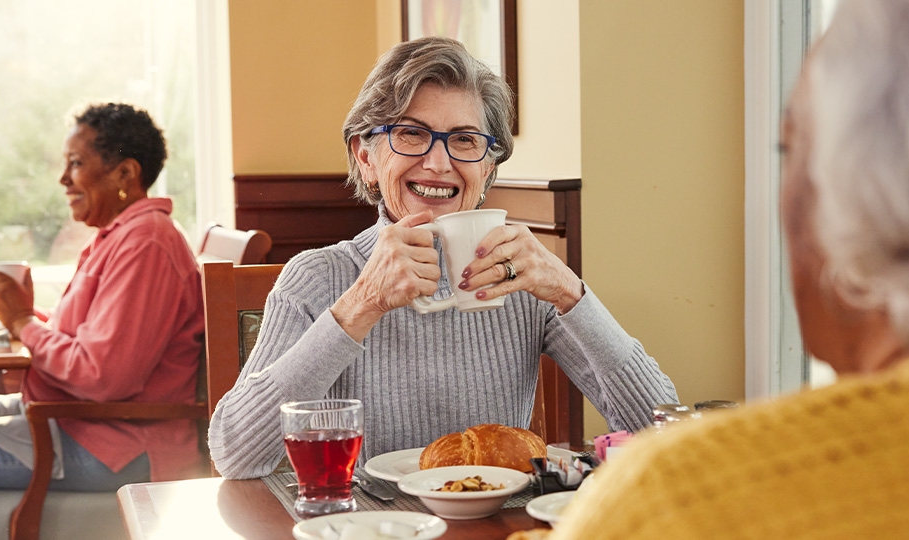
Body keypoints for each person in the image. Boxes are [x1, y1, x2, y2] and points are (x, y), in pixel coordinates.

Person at [549, 0, 909, 538]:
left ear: (848, 207)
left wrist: (572, 295)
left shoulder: (676, 501)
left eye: (790, 149)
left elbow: (653, 416)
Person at [208, 37, 678, 479]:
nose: (438, 163)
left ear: (488, 166)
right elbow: (236, 453)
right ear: (366, 158)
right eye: (411, 134)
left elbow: (664, 430)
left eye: (465, 139)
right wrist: (362, 303)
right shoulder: (319, 278)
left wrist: (570, 293)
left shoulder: (519, 281)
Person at [0, 103, 204, 490]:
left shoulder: (147, 243)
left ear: (125, 172)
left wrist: (23, 322)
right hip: (75, 420)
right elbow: (89, 338)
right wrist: (19, 314)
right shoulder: (118, 235)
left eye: (74, 163)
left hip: (117, 443)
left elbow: (103, 376)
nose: (63, 179)